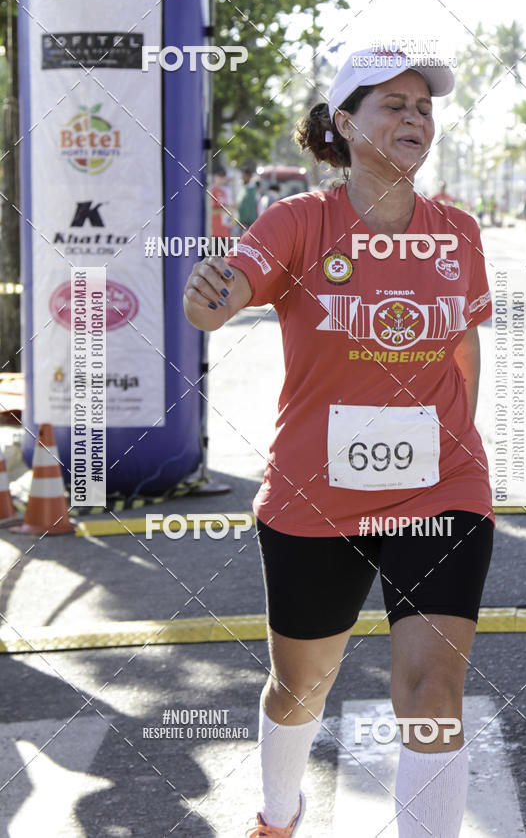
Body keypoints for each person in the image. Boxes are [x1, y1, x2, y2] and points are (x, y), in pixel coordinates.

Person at [184, 44, 495, 838]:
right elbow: (229, 292)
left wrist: (462, 445)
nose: (415, 117)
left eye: (423, 106)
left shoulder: (456, 231)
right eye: (393, 104)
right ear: (345, 122)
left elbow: (464, 343)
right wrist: (210, 296)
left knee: (433, 690)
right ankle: (277, 813)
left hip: (440, 488)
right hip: (314, 492)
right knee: (300, 688)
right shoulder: (299, 220)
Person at [210, 164, 232, 237]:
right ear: (214, 176)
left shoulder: (226, 191)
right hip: (214, 233)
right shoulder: (211, 191)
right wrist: (224, 209)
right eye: (220, 176)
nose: (222, 178)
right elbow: (210, 212)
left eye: (223, 176)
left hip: (225, 232)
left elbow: (229, 210)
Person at [238, 164, 259, 231]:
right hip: (241, 224)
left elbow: (252, 209)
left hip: (249, 225)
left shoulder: (253, 190)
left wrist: (244, 222)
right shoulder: (243, 188)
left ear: (248, 176)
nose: (242, 178)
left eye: (244, 176)